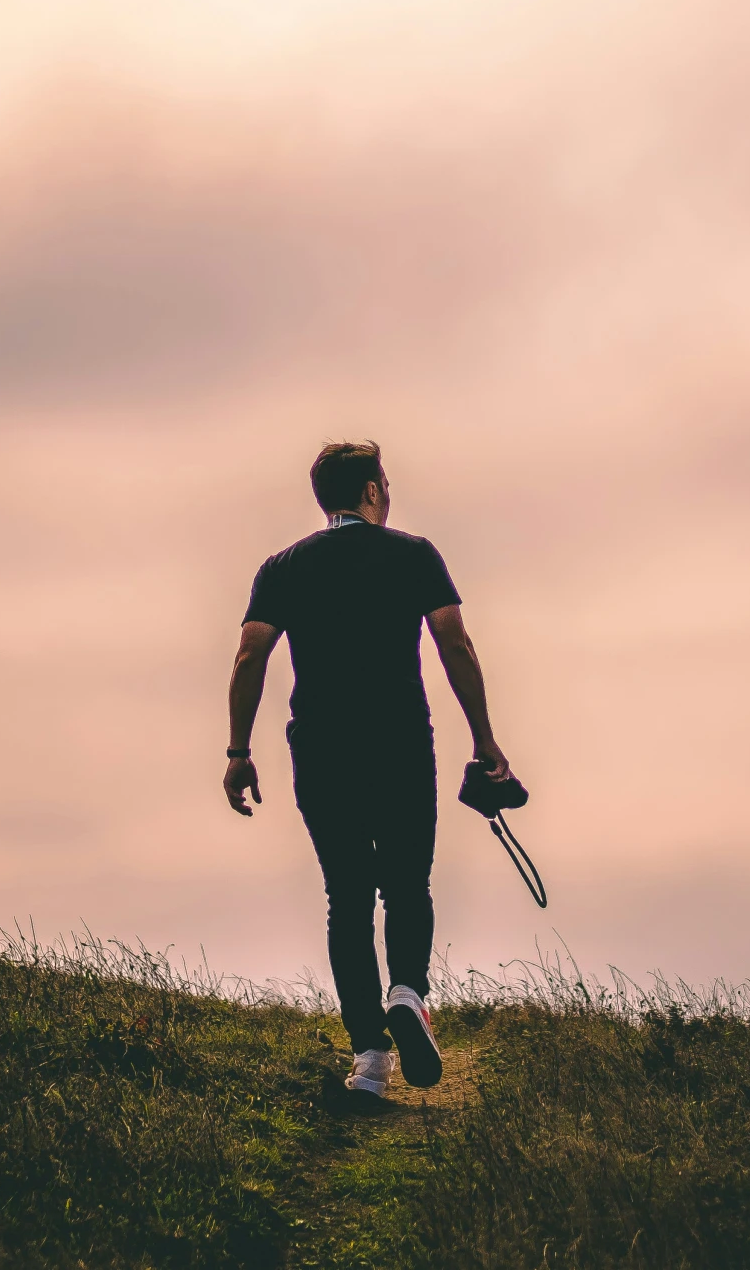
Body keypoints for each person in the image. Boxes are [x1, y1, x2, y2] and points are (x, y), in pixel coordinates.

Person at [223, 440, 512, 1098]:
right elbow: (453, 641)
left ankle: (371, 1062)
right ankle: (407, 991)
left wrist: (239, 751)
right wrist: (485, 737)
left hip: (320, 751)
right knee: (407, 882)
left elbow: (249, 657)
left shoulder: (283, 567)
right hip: (400, 742)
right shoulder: (413, 555)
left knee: (346, 897)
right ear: (374, 491)